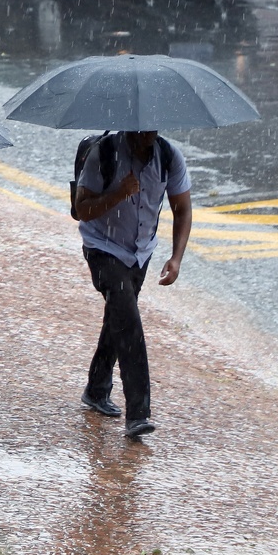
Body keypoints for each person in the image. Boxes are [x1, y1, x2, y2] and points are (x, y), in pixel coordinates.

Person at [73, 131, 192, 438]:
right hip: (102, 247)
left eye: (152, 129)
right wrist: (118, 193)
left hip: (140, 252)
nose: (147, 136)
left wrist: (176, 257)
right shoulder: (105, 153)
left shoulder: (168, 156)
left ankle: (96, 389)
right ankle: (138, 414)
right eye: (141, 130)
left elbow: (182, 208)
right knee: (128, 319)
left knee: (119, 315)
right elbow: (81, 209)